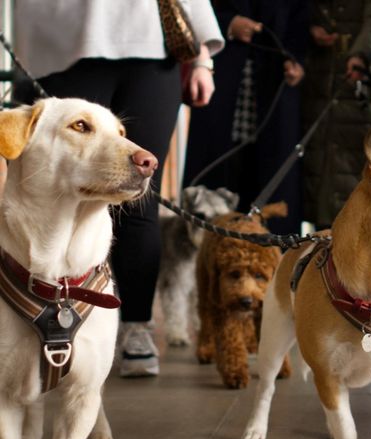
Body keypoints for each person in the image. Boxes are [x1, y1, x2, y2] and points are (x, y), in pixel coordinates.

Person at [14, 0, 224, 378]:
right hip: (64, 43)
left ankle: (137, 329)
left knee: (139, 198)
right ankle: (35, 322)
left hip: (152, 49)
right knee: (54, 195)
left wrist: (202, 58)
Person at [182, 1, 308, 235]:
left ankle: (270, 263)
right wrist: (229, 24)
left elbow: (301, 18)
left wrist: (297, 61)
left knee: (272, 178)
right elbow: (192, 9)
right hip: (222, 76)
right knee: (216, 168)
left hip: (274, 83)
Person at [302, 0, 371, 229]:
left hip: (359, 82)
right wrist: (310, 29)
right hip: (316, 80)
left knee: (349, 176)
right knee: (315, 171)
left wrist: (362, 53)